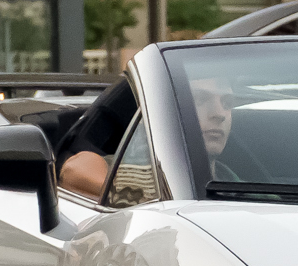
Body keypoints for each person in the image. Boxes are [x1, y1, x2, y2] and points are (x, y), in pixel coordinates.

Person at [49, 72, 237, 199]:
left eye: (227, 103)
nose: (219, 113)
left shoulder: (238, 183)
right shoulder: (130, 170)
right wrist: (143, 198)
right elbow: (74, 168)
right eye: (201, 99)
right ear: (166, 110)